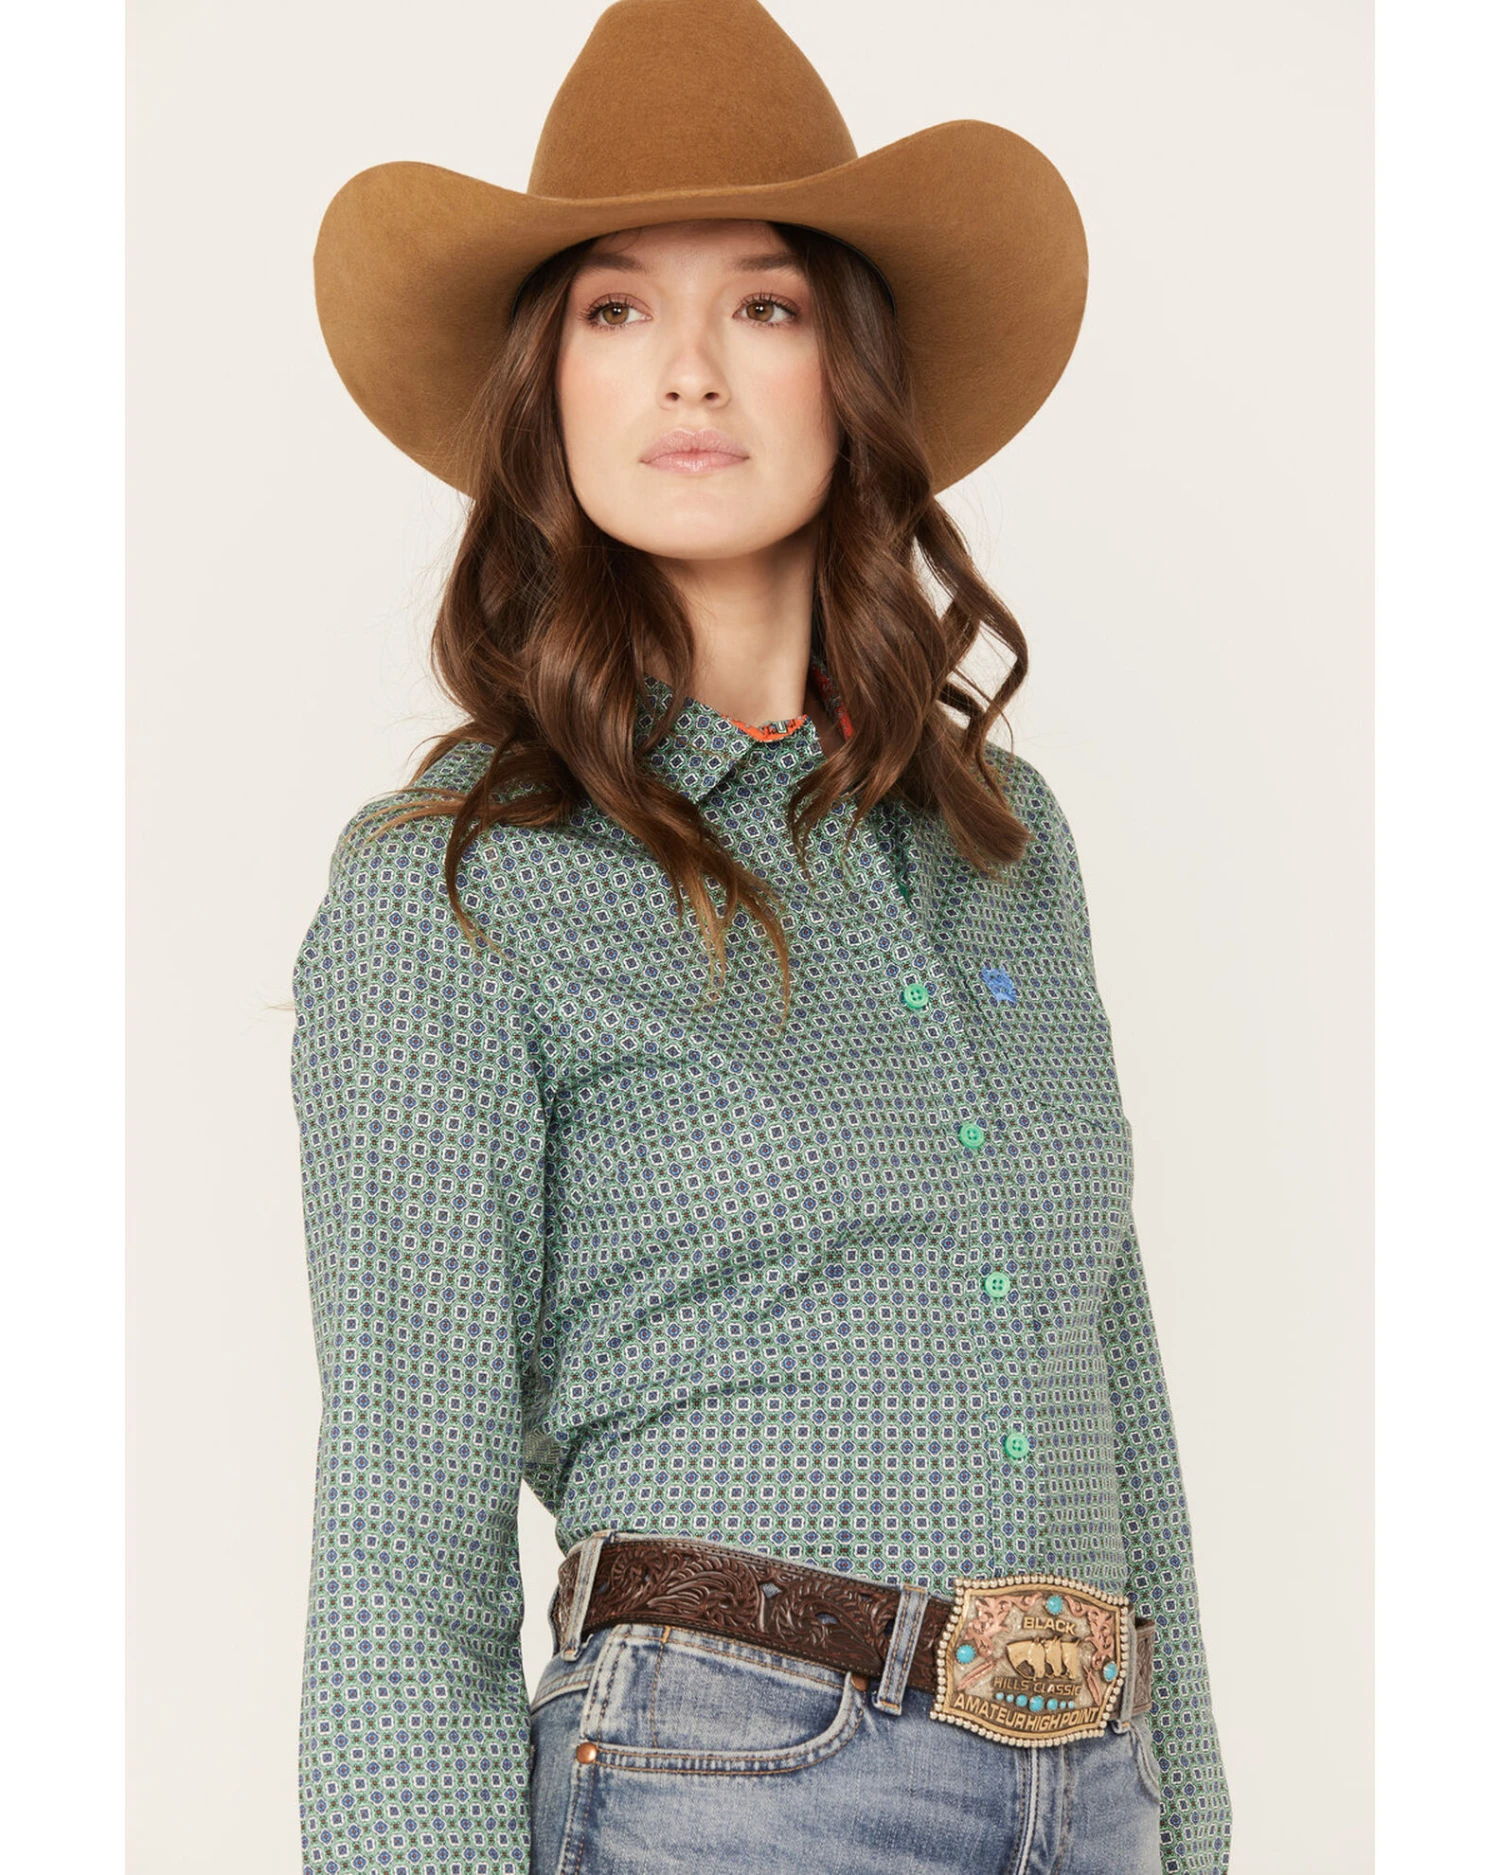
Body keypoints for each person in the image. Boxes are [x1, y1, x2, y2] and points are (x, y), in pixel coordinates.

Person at [291, 4, 1232, 1872]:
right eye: (616, 311)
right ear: (548, 390)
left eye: (767, 305)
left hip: (1092, 1785)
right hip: (728, 1790)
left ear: (848, 370)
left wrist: (1189, 1821)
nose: (690, 373)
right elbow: (406, 1526)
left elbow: (1114, 1384)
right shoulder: (460, 886)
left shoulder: (1006, 846)